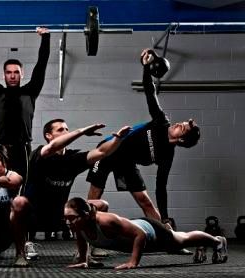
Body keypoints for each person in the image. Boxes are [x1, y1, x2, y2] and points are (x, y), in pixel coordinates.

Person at [87, 48, 201, 226]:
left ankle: (167, 237)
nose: (180, 123)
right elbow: (150, 92)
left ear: (181, 140)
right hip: (109, 150)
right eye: (183, 122)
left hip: (126, 163)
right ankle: (90, 242)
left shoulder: (166, 156)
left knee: (146, 202)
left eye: (183, 128)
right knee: (94, 197)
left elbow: (161, 188)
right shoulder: (161, 122)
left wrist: (165, 216)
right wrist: (147, 68)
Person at [23, 119, 131, 259]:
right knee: (20, 204)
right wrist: (82, 131)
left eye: (67, 129)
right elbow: (51, 148)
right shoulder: (39, 154)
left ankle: (92, 245)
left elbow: (101, 152)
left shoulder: (72, 158)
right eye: (60, 130)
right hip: (35, 212)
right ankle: (26, 243)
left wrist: (118, 139)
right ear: (48, 135)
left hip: (59, 213)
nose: (66, 132)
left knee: (101, 205)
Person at [0, 27, 50, 191]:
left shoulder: (30, 92)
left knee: (21, 190)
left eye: (16, 72)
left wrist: (46, 37)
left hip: (23, 149)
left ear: (22, 74)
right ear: (4, 75)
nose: (13, 75)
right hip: (1, 148)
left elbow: (41, 65)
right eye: (9, 72)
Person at [64, 197, 228, 270]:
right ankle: (207, 242)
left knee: (181, 240)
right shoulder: (79, 226)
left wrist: (133, 262)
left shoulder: (107, 221)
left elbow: (140, 235)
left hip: (150, 230)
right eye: (66, 218)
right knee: (178, 242)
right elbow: (82, 242)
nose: (68, 222)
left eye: (71, 218)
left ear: (85, 215)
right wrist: (83, 261)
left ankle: (217, 241)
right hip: (136, 234)